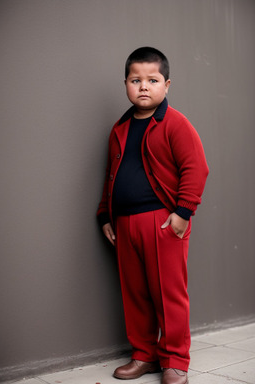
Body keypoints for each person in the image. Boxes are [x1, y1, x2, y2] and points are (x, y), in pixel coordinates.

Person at [97, 47, 209, 384]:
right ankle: (144, 355)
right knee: (135, 292)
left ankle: (175, 360)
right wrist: (105, 214)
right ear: (126, 84)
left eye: (152, 80)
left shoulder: (174, 123)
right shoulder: (119, 127)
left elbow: (196, 168)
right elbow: (112, 174)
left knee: (168, 293)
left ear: (166, 84)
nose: (143, 86)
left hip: (162, 220)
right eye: (136, 80)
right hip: (125, 223)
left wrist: (182, 213)